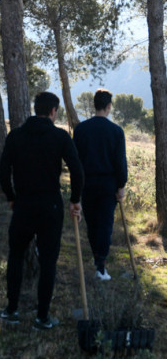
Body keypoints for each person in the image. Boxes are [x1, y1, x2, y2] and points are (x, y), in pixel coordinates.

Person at [0, 92, 84, 330]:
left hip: (23, 204)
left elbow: (2, 173)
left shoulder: (16, 136)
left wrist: (12, 197)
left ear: (36, 109)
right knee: (48, 262)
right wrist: (75, 200)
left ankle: (11, 309)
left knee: (15, 256)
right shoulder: (59, 136)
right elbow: (77, 171)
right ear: (53, 111)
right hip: (50, 206)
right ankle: (42, 317)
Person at [73, 89, 128, 281]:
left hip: (87, 183)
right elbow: (120, 162)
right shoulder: (116, 131)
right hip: (107, 184)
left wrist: (75, 188)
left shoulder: (80, 129)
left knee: (92, 223)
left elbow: (75, 161)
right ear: (108, 106)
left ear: (94, 105)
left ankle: (97, 259)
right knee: (105, 224)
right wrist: (121, 185)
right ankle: (101, 266)